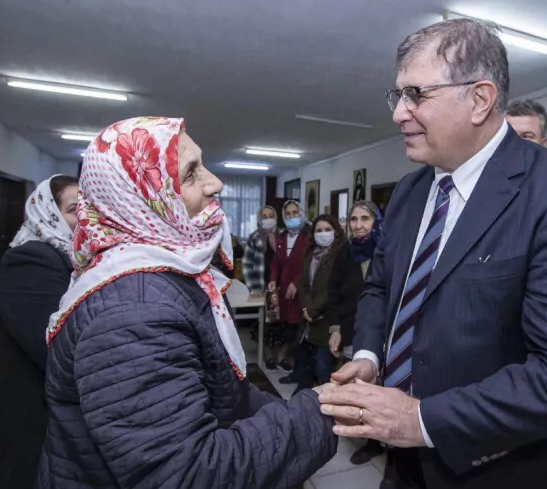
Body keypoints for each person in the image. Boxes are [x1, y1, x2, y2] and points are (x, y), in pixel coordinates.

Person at [319, 18, 547, 488]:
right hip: (407, 468)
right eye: (397, 96)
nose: (398, 114)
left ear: (480, 99)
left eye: (416, 95)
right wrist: (369, 354)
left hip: (508, 468)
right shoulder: (408, 192)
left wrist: (421, 420)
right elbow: (382, 287)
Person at [37, 117, 336, 488]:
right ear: (140, 195)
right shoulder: (134, 313)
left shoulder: (156, 274)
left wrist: (301, 411)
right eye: (191, 172)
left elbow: (228, 392)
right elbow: (190, 475)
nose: (215, 183)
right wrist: (319, 414)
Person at [0, 175, 78, 489]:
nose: (85, 219)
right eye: (74, 209)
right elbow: (52, 345)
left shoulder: (78, 260)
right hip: (29, 420)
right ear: (47, 214)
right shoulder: (30, 259)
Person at [326, 201, 388, 468]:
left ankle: (382, 440)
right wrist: (335, 330)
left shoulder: (388, 250)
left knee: (384, 387)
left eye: (365, 218)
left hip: (384, 330)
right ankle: (367, 436)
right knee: (362, 385)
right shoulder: (344, 253)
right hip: (353, 330)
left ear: (377, 221)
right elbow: (334, 294)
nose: (359, 225)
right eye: (353, 219)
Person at [293, 214, 361, 392]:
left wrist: (313, 309)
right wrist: (306, 307)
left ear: (336, 231)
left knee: (325, 365)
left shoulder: (342, 253)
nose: (323, 234)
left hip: (328, 317)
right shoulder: (310, 253)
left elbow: (333, 289)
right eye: (319, 230)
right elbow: (303, 283)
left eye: (327, 230)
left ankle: (328, 401)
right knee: (312, 360)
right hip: (310, 316)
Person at [270, 200, 312, 380]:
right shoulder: (282, 237)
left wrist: (297, 282)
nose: (292, 216)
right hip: (284, 291)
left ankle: (301, 372)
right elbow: (276, 262)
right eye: (288, 214)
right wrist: (272, 280)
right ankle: (295, 368)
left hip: (302, 290)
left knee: (300, 330)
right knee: (287, 326)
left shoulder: (308, 236)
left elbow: (309, 264)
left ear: (301, 214)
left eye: (295, 213)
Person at [243, 205, 288, 369]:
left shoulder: (284, 236)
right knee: (267, 323)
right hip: (263, 287)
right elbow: (247, 265)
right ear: (259, 219)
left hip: (283, 287)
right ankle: (269, 355)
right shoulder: (255, 238)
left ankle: (282, 356)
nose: (268, 219)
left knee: (285, 323)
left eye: (271, 215)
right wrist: (254, 287)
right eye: (264, 216)